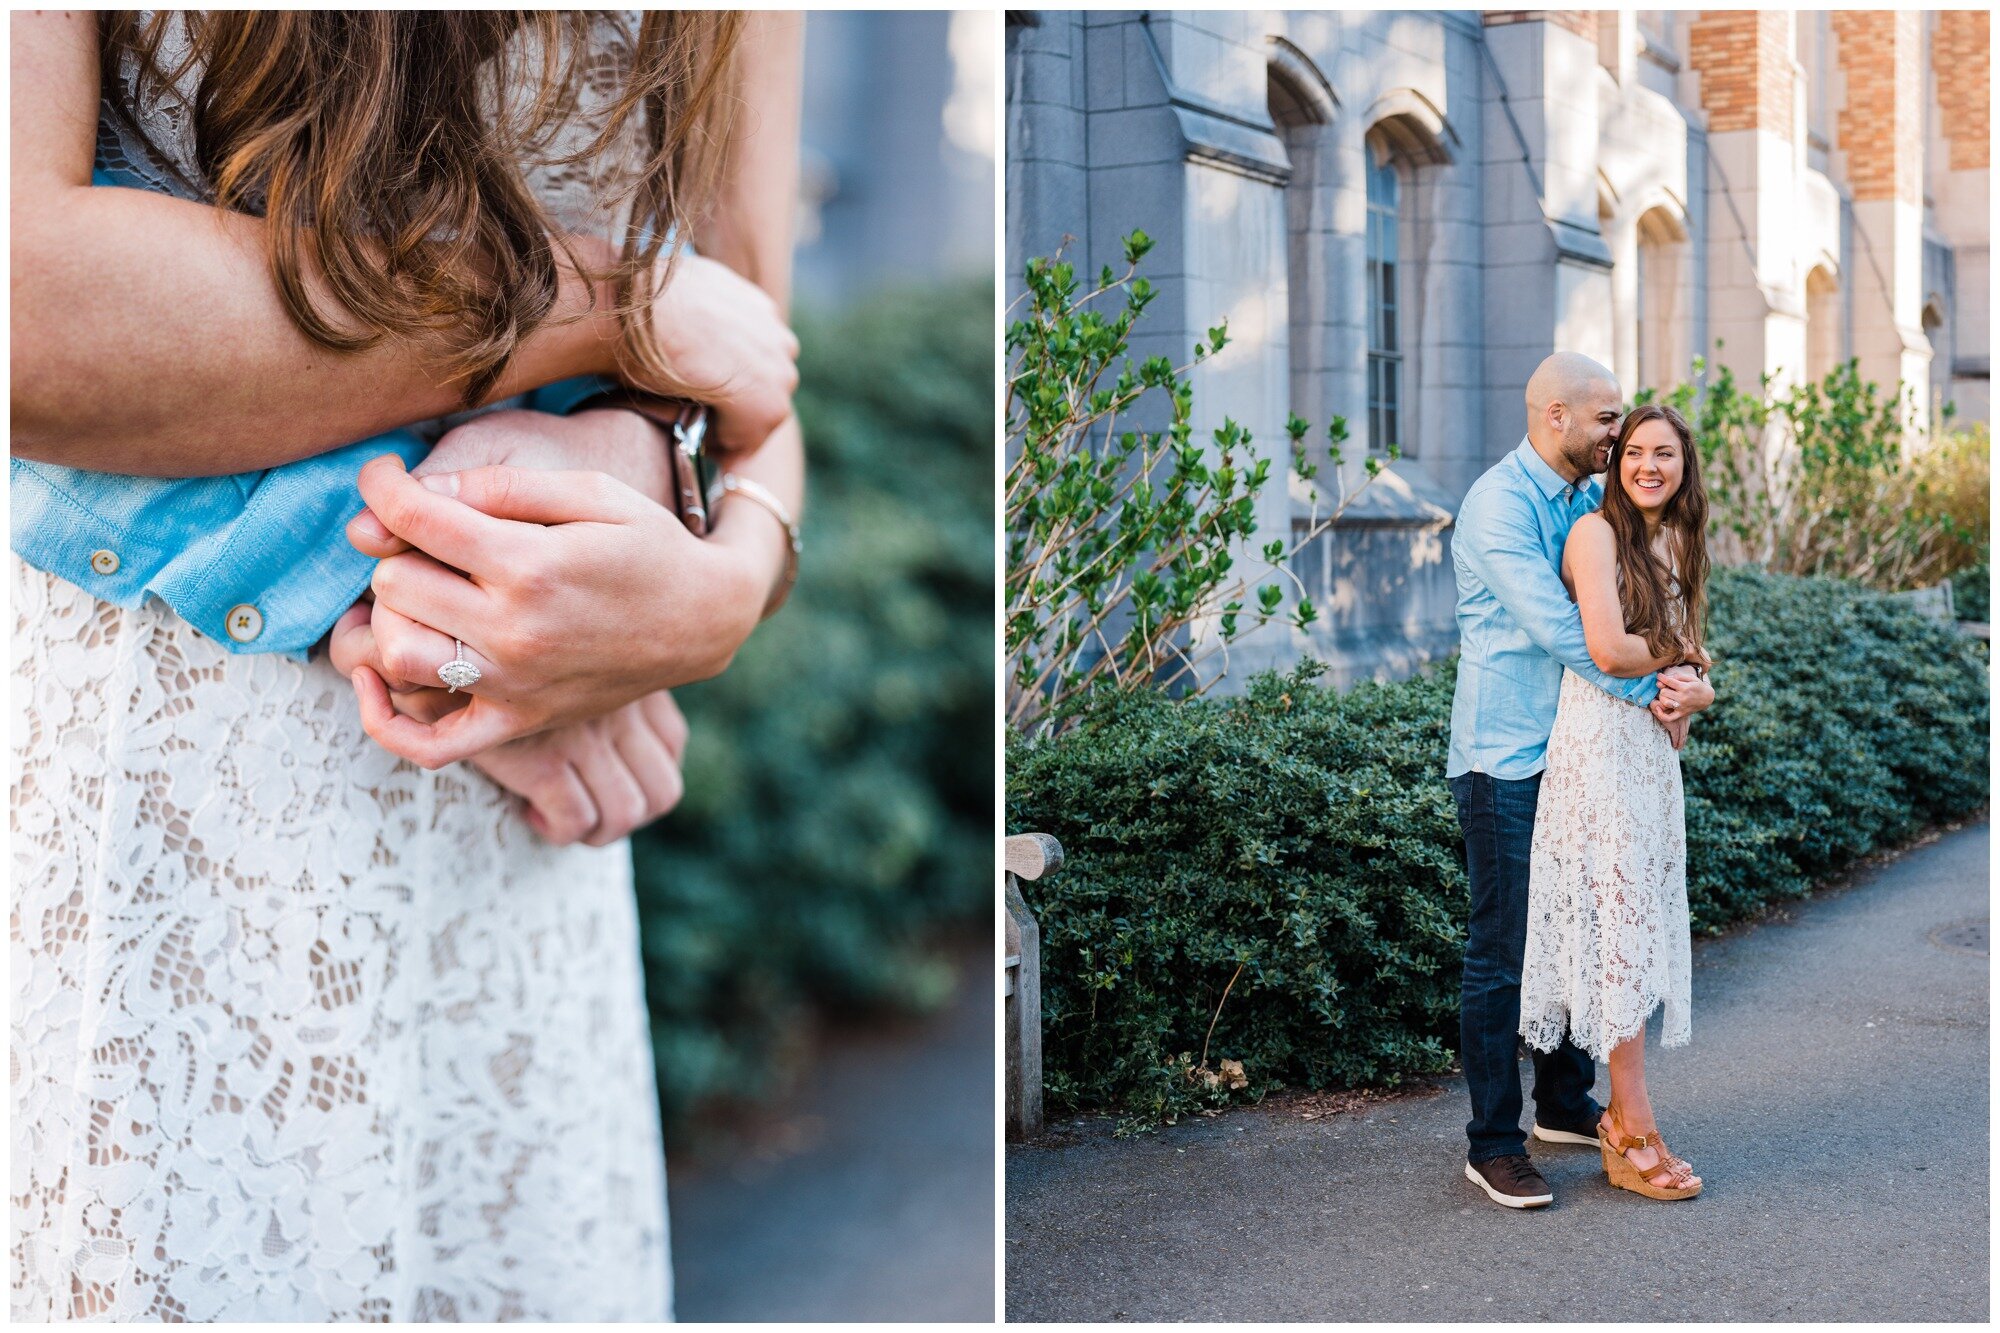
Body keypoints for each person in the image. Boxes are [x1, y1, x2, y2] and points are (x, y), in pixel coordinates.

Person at [11, 10, 802, 1318]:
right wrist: (606, 309)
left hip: (523, 875)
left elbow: (750, 354)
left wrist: (720, 571)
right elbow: (24, 304)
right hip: (154, 822)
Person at [1445, 352, 1715, 1211]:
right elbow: (1572, 633)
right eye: (1607, 420)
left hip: (1570, 752)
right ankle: (1493, 1143)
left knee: (1575, 924)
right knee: (1503, 948)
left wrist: (1684, 683)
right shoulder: (1499, 505)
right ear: (1555, 414)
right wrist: (1665, 688)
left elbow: (1647, 607)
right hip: (1506, 753)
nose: (1619, 434)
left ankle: (1563, 1104)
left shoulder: (1584, 499)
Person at [1518, 403, 1711, 1201]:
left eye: (1664, 453)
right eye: (1635, 451)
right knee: (1620, 930)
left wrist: (1696, 692)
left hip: (1649, 757)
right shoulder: (1593, 535)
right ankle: (1630, 1125)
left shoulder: (1677, 543)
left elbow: (1679, 679)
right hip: (1597, 751)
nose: (1648, 466)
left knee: (1633, 927)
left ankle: (1621, 1120)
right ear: (1615, 461)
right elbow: (1606, 646)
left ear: (1683, 465)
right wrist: (1692, 661)